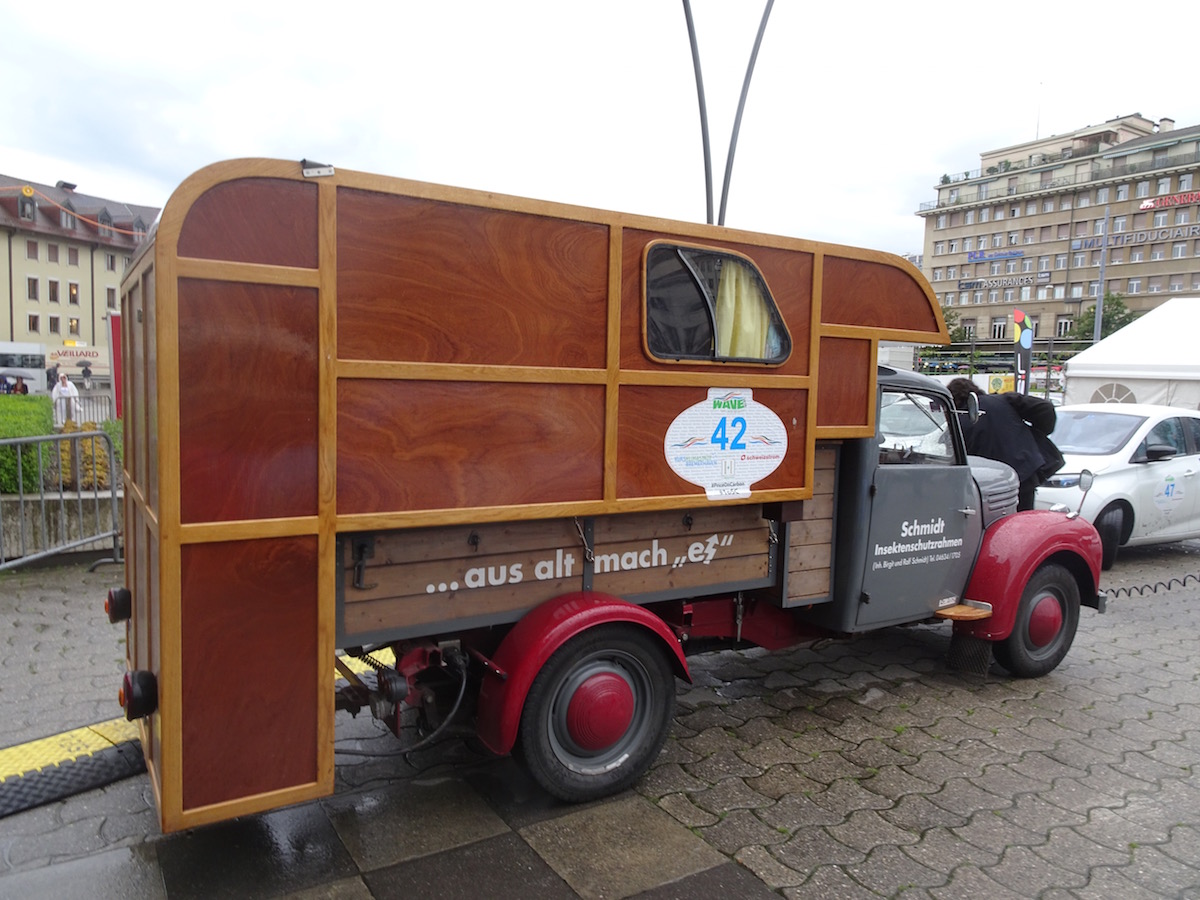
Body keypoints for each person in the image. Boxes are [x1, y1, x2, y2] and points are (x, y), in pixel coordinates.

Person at [947, 378, 1062, 511]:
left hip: (988, 483)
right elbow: (1044, 408)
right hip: (1024, 471)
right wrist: (1036, 433)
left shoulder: (959, 419)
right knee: (1023, 520)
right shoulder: (1003, 400)